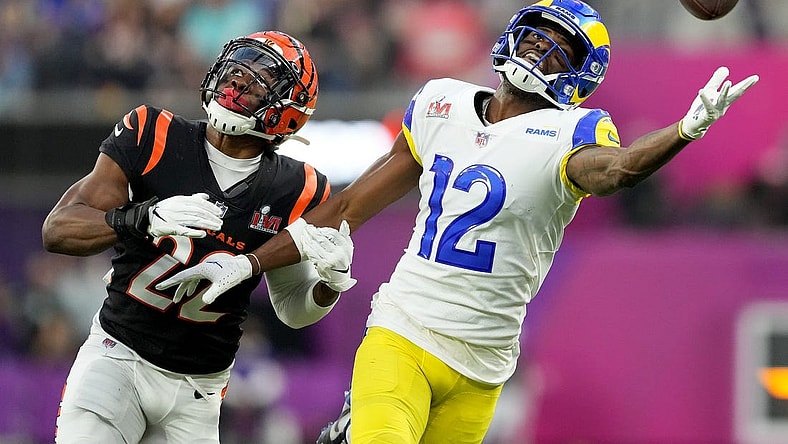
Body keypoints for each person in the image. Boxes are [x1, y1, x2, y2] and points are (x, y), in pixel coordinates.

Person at [157, 1, 760, 442]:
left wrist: (686, 130)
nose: (538, 53)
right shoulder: (441, 104)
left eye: (559, 49)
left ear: (583, 74)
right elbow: (344, 210)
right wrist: (249, 261)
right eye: (535, 38)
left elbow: (620, 169)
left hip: (484, 362)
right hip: (406, 331)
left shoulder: (570, 134)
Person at [41, 30, 357, 444]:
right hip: (117, 358)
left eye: (261, 78)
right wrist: (143, 218)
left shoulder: (297, 188)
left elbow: (292, 309)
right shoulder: (151, 133)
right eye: (238, 66)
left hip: (200, 389)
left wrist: (329, 286)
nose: (240, 79)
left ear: (289, 111)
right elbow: (58, 229)